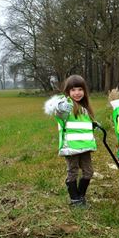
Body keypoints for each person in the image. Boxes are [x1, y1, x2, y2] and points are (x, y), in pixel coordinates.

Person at [44, 75, 97, 207]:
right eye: (73, 90)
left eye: (80, 89)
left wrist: (93, 124)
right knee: (72, 171)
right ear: (68, 92)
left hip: (85, 146)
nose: (77, 93)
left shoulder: (85, 108)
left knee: (88, 172)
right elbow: (55, 109)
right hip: (71, 147)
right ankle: (75, 200)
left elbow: (84, 124)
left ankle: (80, 196)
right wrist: (60, 106)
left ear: (84, 91)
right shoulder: (66, 105)